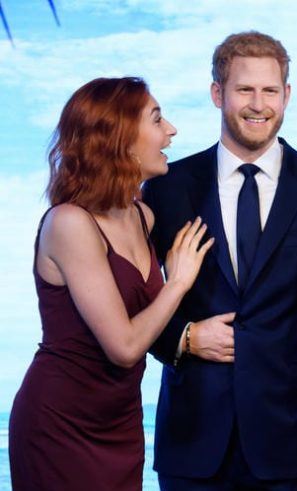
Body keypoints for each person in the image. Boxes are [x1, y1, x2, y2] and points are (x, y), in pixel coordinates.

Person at [142, 31, 297, 490]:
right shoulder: (168, 187)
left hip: (291, 443)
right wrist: (184, 338)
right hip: (193, 443)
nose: (258, 104)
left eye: (270, 90)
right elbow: (131, 298)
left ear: (287, 95)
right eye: (244, 89)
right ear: (217, 94)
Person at [8, 76, 212, 491]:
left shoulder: (143, 216)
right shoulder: (69, 223)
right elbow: (124, 347)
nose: (171, 130)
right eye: (157, 119)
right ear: (120, 137)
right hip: (60, 424)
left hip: (121, 422)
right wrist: (177, 282)